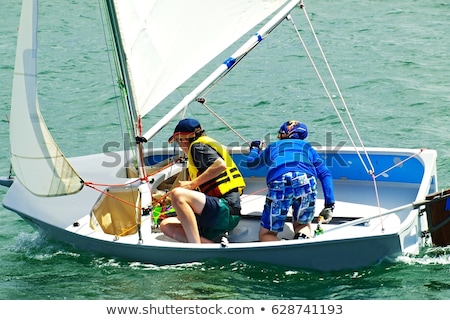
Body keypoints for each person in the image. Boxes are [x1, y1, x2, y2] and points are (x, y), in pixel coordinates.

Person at [159, 118, 246, 243]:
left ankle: (195, 246)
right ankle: (207, 246)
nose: (179, 146)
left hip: (225, 211)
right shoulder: (204, 147)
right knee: (166, 225)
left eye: (178, 142)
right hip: (221, 215)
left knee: (177, 194)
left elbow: (220, 165)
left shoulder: (197, 147)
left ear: (184, 138)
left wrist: (191, 185)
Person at [247, 120, 335, 241]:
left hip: (280, 182)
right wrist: (329, 205)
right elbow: (325, 174)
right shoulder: (307, 147)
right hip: (306, 181)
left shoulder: (273, 146)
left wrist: (254, 148)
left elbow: (252, 164)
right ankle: (301, 241)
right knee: (302, 225)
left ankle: (280, 248)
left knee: (266, 234)